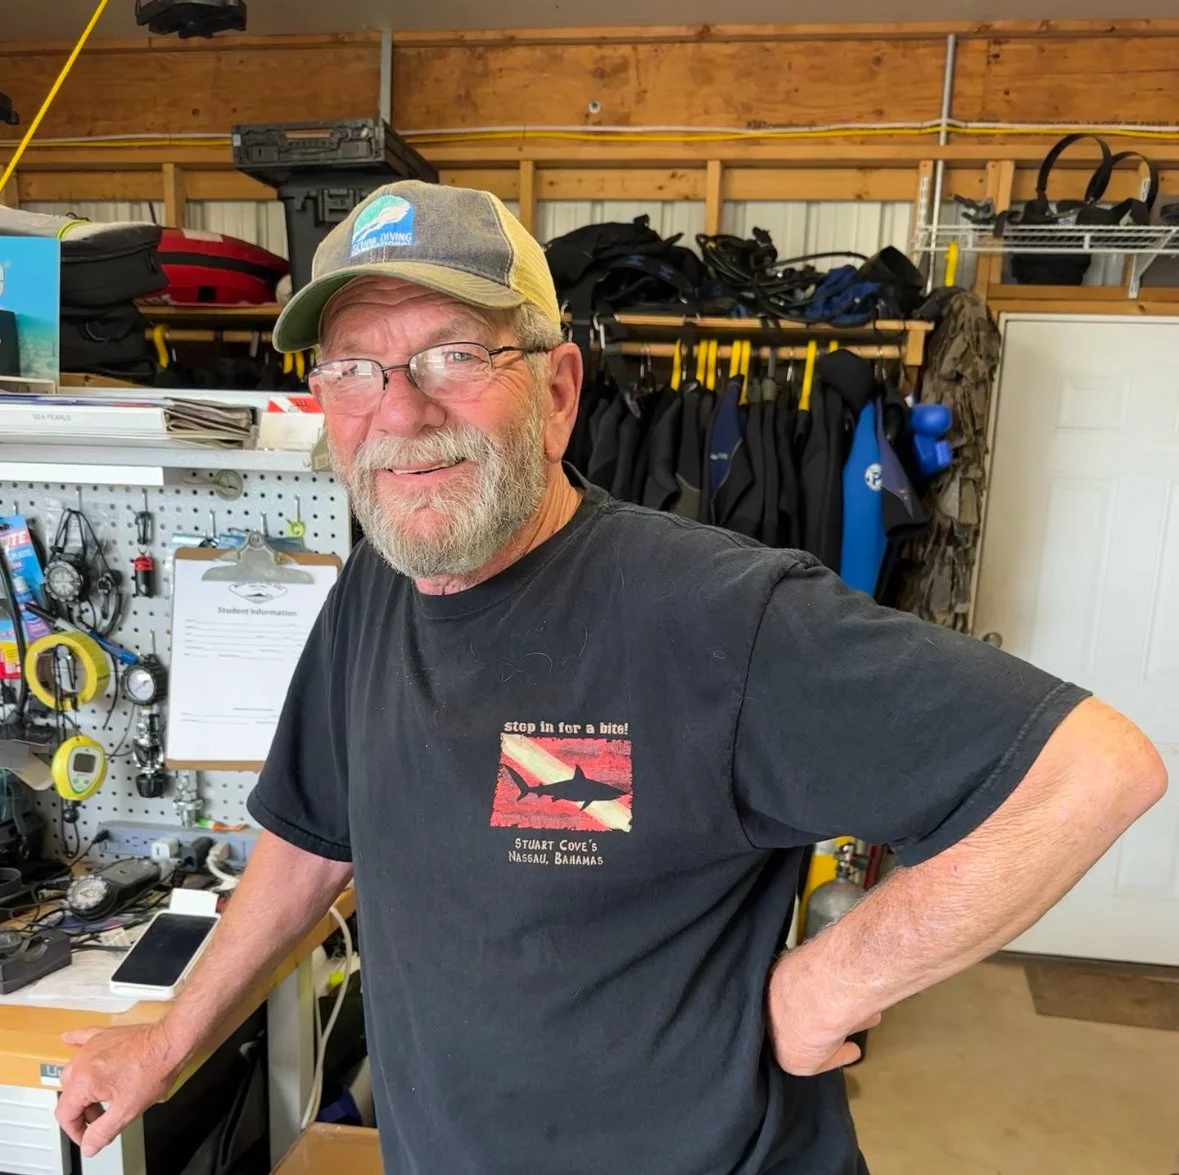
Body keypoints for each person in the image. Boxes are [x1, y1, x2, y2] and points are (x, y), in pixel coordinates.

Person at [56, 181, 1167, 1175]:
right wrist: (169, 1031)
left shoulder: (716, 615)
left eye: (452, 353)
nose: (399, 412)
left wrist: (833, 978)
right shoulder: (372, 591)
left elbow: (1088, 770)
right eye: (355, 367)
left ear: (557, 389)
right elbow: (308, 841)